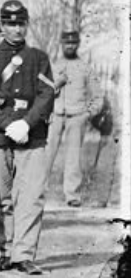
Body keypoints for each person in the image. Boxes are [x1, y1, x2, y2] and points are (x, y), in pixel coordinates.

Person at [0, 0, 56, 274]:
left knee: (31, 197)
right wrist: (8, 124)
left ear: (26, 25)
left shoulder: (38, 58)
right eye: (10, 24)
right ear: (2, 25)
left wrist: (27, 124)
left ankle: (24, 255)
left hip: (32, 136)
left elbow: (46, 94)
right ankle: (3, 251)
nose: (16, 29)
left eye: (20, 24)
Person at [48, 30, 98, 208]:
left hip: (76, 116)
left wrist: (88, 114)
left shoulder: (85, 67)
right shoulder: (53, 66)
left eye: (73, 43)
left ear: (78, 44)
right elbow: (44, 92)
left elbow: (97, 95)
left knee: (73, 157)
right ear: (61, 44)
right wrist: (56, 84)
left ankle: (72, 195)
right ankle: (37, 192)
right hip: (55, 115)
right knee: (46, 154)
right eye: (66, 43)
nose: (70, 46)